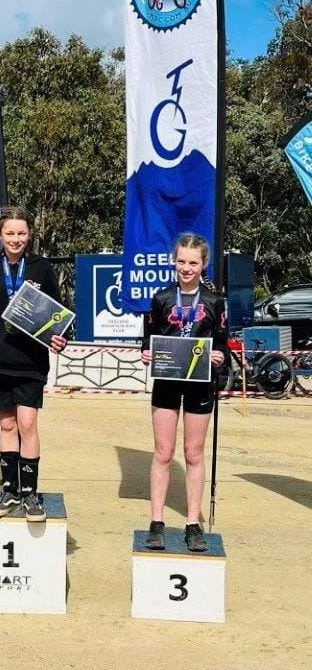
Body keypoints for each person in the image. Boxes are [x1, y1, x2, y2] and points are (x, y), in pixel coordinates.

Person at [0, 205, 67, 522]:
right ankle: (9, 490)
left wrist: (62, 337)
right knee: (6, 424)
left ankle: (30, 495)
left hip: (31, 360)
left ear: (29, 234)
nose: (16, 239)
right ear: (0, 235)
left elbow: (59, 316)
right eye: (10, 233)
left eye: (21, 233)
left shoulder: (42, 269)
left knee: (28, 423)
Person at [141, 233, 228, 552]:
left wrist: (219, 357)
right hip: (167, 382)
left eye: (193, 262)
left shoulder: (214, 302)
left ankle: (193, 523)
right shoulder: (161, 298)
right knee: (163, 452)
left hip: (200, 386)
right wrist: (146, 353)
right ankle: (156, 521)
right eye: (181, 262)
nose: (186, 268)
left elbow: (222, 344)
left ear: (204, 264)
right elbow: (147, 340)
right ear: (173, 262)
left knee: (193, 453)